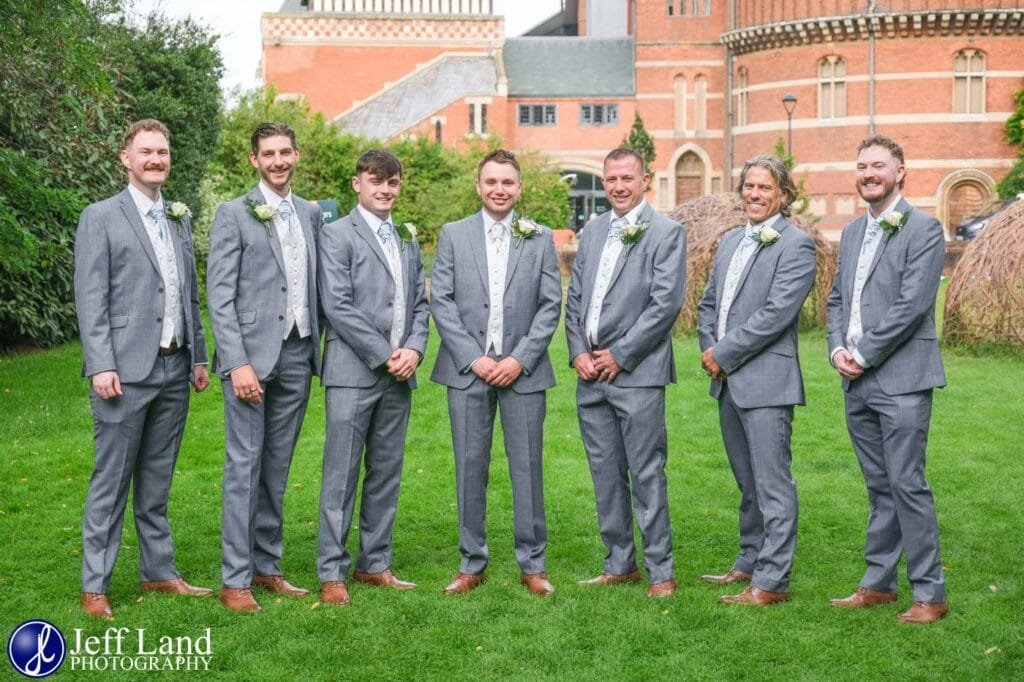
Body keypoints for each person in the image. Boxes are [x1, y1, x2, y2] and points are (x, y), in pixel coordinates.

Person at [74, 118, 211, 619]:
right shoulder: (101, 216)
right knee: (111, 481)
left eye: (163, 152)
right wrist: (101, 364)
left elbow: (187, 291)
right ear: (125, 159)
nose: (157, 159)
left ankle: (158, 572)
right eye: (147, 152)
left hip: (175, 369)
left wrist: (198, 355)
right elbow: (91, 298)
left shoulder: (179, 217)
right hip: (124, 372)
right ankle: (95, 586)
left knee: (157, 480)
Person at [826, 134, 949, 624]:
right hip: (855, 379)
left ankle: (930, 594)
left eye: (878, 165)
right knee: (878, 485)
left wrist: (864, 352)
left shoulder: (924, 228)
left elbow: (913, 305)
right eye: (861, 166)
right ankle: (878, 583)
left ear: (901, 172)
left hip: (900, 378)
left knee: (907, 483)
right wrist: (838, 347)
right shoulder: (854, 232)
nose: (868, 173)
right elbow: (837, 299)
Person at [430, 149, 562, 597]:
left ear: (519, 188)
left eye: (508, 182)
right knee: (470, 466)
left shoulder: (540, 237)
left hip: (523, 372)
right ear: (478, 185)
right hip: (467, 371)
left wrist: (519, 359)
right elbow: (441, 301)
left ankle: (533, 564)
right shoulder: (453, 234)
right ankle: (471, 562)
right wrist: (474, 356)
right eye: (491, 182)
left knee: (527, 467)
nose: (499, 189)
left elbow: (550, 305)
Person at [206, 122, 322, 613]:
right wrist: (236, 363)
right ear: (253, 160)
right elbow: (219, 294)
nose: (278, 160)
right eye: (268, 153)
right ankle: (235, 580)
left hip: (299, 353)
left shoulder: (311, 213)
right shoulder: (233, 214)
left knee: (277, 467)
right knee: (244, 467)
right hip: (251, 359)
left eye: (285, 152)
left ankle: (267, 566)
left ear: (296, 155)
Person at [564, 147, 686, 598]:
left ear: (645, 180)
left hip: (636, 373)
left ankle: (661, 572)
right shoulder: (593, 230)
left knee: (646, 472)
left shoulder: (666, 232)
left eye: (627, 178)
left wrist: (621, 354)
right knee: (604, 473)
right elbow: (575, 297)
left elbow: (664, 305)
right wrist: (577, 349)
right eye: (611, 178)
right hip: (589, 373)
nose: (618, 186)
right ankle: (619, 563)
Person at [696, 155, 816, 606]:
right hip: (727, 381)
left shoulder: (796, 245)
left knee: (772, 484)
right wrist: (710, 350)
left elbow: (775, 315)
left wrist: (722, 353)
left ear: (783, 194)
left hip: (767, 380)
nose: (755, 194)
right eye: (749, 186)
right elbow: (708, 304)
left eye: (765, 187)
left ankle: (771, 582)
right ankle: (748, 561)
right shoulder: (729, 242)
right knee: (747, 481)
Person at [316, 150, 429, 606]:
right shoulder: (337, 235)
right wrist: (386, 355)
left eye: (393, 182)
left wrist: (415, 349)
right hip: (353, 371)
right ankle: (331, 570)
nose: (385, 189)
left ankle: (375, 563)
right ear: (356, 183)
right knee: (341, 474)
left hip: (400, 373)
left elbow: (421, 303)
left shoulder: (406, 236)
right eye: (376, 181)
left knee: (386, 471)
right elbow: (337, 305)